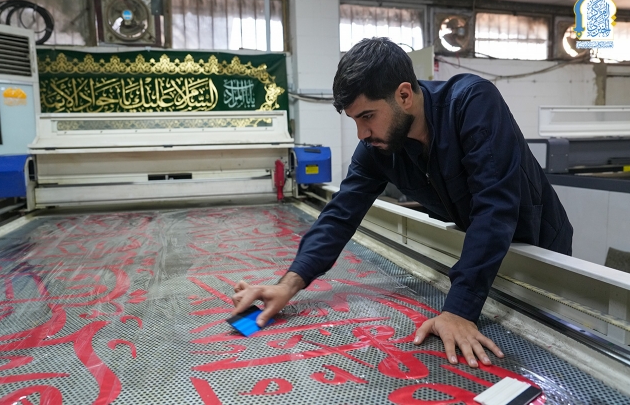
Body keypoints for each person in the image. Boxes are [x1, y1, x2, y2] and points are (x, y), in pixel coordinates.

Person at [232, 37, 573, 368]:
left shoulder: (472, 104)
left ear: (404, 95)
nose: (361, 133)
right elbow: (340, 215)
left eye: (367, 116)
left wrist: (458, 310)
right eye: (355, 120)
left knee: (550, 352)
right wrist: (288, 285)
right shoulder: (377, 149)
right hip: (482, 260)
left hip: (539, 253)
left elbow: (495, 208)